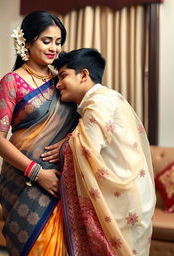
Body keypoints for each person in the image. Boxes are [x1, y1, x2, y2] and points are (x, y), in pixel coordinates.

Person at [0, 11, 77, 256]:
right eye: (46, 41)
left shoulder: (62, 81)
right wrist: (37, 173)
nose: (54, 49)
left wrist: (65, 141)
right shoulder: (12, 83)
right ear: (26, 42)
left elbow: (79, 124)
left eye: (58, 42)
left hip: (59, 178)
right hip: (22, 181)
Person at [53, 48, 156, 256]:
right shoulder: (109, 97)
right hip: (133, 196)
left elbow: (87, 149)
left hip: (123, 203)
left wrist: (64, 145)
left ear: (83, 75)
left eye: (63, 76)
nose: (58, 84)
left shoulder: (98, 103)